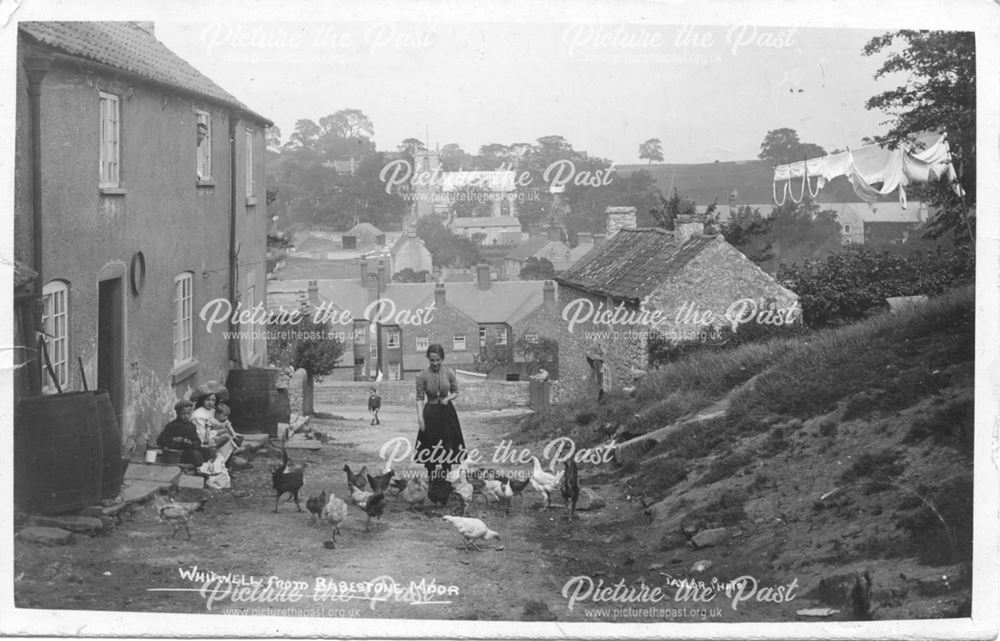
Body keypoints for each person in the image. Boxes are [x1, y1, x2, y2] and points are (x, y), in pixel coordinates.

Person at [414, 344, 466, 481]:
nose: (435, 363)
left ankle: (446, 481)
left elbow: (456, 392)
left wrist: (448, 398)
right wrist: (420, 418)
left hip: (447, 415)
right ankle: (432, 481)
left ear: (442, 358)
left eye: (438, 360)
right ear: (428, 359)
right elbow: (419, 398)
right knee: (430, 448)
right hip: (430, 414)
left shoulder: (449, 372)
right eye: (432, 360)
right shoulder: (422, 376)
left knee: (447, 448)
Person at [157, 399, 208, 467]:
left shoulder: (191, 426)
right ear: (178, 413)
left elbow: (197, 441)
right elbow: (160, 440)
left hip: (188, 452)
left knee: (208, 451)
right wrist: (174, 439)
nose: (186, 416)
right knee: (196, 455)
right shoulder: (172, 425)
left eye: (188, 413)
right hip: (175, 453)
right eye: (183, 414)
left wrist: (191, 443)